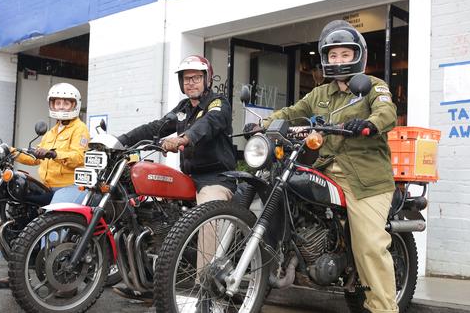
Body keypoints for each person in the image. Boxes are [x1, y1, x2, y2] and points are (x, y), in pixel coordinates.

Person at [262, 20, 399, 313]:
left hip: (365, 179)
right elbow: (293, 112)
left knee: (370, 248)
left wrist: (369, 124)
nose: (338, 61)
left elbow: (387, 112)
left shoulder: (372, 87)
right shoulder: (320, 94)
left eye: (344, 55)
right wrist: (263, 123)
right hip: (325, 170)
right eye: (333, 55)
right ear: (325, 59)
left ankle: (384, 309)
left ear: (357, 56)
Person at [112, 55, 237, 302]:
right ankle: (147, 280)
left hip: (217, 178)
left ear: (207, 79)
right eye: (186, 79)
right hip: (189, 177)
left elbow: (209, 125)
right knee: (150, 208)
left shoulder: (218, 103)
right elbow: (156, 127)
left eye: (196, 78)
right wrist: (120, 141)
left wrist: (183, 138)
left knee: (207, 215)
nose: (191, 83)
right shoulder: (182, 109)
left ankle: (205, 287)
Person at [0, 82, 90, 289]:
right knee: (22, 219)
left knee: (49, 223)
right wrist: (10, 150)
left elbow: (79, 157)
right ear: (52, 104)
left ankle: (52, 273)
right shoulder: (52, 131)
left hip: (70, 186)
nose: (62, 106)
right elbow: (35, 158)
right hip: (48, 186)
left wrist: (54, 153)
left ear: (74, 104)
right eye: (58, 102)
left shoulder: (80, 129)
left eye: (66, 102)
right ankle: (17, 273)